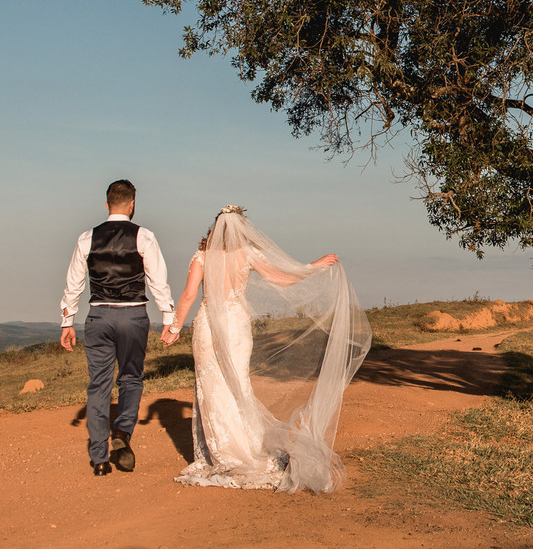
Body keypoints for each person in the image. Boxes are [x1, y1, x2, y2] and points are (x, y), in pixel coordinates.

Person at [164, 205, 371, 492]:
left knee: (211, 387)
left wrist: (174, 328)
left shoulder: (201, 256)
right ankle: (243, 446)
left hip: (207, 325)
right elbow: (281, 278)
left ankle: (223, 450)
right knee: (238, 385)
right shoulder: (247, 254)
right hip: (236, 325)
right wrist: (314, 266)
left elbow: (188, 295)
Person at [60, 179, 176, 476]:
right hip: (133, 316)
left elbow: (74, 282)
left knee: (98, 386)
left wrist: (67, 321)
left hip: (98, 316)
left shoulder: (87, 237)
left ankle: (99, 459)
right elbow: (157, 280)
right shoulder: (144, 236)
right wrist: (169, 318)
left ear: (107, 204)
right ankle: (123, 432)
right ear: (132, 204)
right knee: (131, 379)